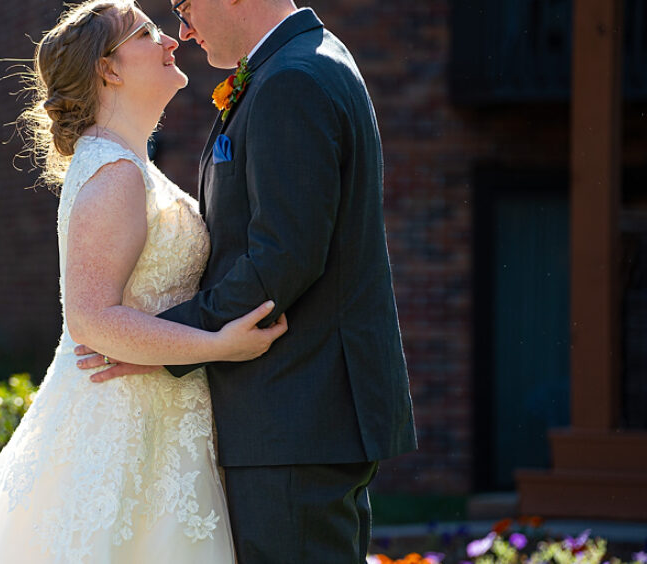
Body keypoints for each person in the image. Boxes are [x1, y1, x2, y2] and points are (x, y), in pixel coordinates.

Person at [0, 1, 288, 562]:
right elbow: (92, 319)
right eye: (149, 33)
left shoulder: (126, 164)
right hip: (120, 430)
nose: (172, 41)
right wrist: (218, 346)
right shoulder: (114, 174)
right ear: (109, 69)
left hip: (159, 419)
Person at [76, 0, 418, 561]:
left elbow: (282, 259)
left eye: (183, 6)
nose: (181, 30)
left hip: (295, 407)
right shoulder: (297, 65)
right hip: (300, 410)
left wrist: (169, 342)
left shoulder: (292, 79)